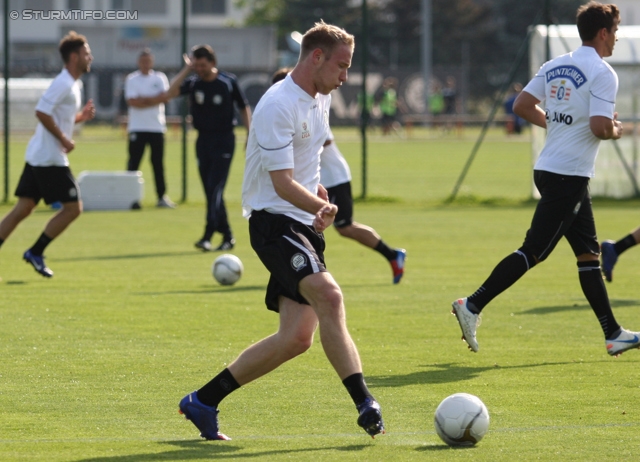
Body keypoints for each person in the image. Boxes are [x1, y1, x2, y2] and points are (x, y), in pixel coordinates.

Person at [178, 21, 385, 440]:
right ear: (316, 57)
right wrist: (322, 204)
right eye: (342, 66)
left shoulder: (319, 97)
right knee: (330, 296)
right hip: (274, 223)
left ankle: (203, 401)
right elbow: (281, 183)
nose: (346, 76)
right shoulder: (278, 104)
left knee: (295, 338)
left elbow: (305, 170)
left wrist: (318, 193)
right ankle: (365, 402)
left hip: (301, 224)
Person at [451, 2, 640, 357]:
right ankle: (472, 304)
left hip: (554, 169)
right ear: (603, 33)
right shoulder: (602, 72)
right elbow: (600, 127)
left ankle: (613, 333)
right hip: (568, 174)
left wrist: (557, 124)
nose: (615, 38)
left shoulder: (556, 64)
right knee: (534, 251)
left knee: (588, 255)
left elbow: (522, 105)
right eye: (614, 32)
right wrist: (615, 129)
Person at [271, 67, 406, 284]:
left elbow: (323, 141)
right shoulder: (285, 111)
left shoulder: (309, 111)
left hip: (333, 177)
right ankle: (300, 267)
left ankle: (392, 255)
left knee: (344, 227)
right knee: (298, 220)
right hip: (315, 180)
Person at [0, 31, 95, 278]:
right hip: (50, 158)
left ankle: (35, 252)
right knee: (74, 209)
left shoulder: (73, 84)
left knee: (23, 209)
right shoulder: (63, 82)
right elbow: (41, 111)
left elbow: (58, 116)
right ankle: (36, 251)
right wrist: (64, 139)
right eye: (86, 53)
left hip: (39, 155)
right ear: (74, 57)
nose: (90, 57)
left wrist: (80, 118)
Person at [165, 44, 251, 251]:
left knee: (215, 189)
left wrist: (250, 134)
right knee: (210, 191)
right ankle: (228, 236)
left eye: (203, 65)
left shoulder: (228, 82)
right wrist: (186, 70)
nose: (200, 69)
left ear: (212, 63)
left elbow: (243, 107)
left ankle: (208, 234)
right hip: (202, 141)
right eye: (197, 65)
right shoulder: (194, 83)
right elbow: (169, 92)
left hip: (224, 140)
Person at [124, 48, 175, 208]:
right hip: (137, 128)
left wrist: (144, 100)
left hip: (156, 128)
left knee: (158, 164)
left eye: (148, 61)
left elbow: (165, 97)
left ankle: (161, 197)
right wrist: (154, 100)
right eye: (143, 61)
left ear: (152, 62)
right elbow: (132, 102)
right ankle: (131, 198)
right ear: (138, 62)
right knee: (134, 163)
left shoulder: (159, 78)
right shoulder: (132, 79)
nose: (146, 64)